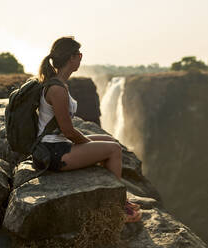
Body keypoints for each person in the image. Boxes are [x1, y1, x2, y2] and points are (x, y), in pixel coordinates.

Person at [37, 36, 141, 222]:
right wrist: (89, 145)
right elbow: (68, 131)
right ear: (71, 58)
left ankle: (111, 193)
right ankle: (116, 207)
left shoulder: (59, 84)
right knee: (113, 149)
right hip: (53, 154)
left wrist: (90, 145)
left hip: (57, 146)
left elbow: (65, 132)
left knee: (111, 141)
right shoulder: (57, 89)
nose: (81, 57)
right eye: (79, 54)